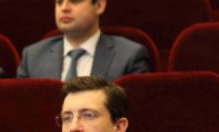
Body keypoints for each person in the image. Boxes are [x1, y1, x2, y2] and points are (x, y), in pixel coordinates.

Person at [17, 0, 149, 81]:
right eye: (59, 2)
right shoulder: (32, 57)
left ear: (99, 5)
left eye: (74, 1)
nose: (64, 8)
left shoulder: (129, 56)